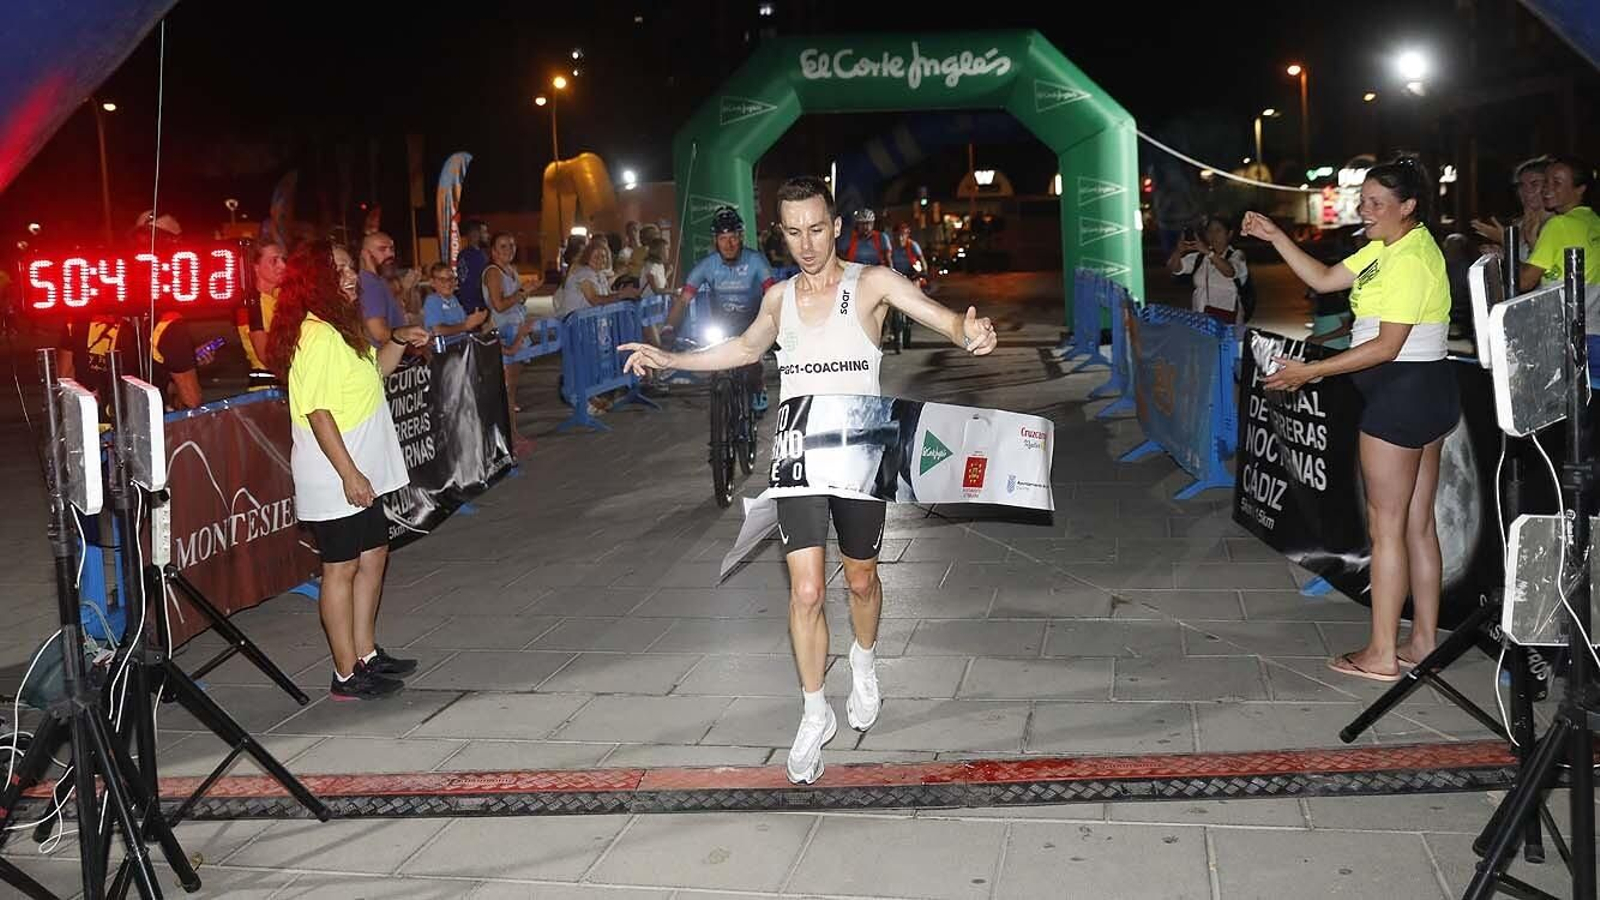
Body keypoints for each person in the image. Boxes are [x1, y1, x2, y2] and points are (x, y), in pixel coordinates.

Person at [619, 175, 998, 784]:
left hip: (862, 451)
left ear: (835, 225)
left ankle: (866, 662)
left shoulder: (870, 282)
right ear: (781, 234)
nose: (807, 243)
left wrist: (968, 331)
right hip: (797, 452)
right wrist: (672, 359)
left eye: (816, 228)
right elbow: (744, 350)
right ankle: (813, 710)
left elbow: (940, 318)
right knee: (806, 591)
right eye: (793, 232)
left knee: (862, 581)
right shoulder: (779, 299)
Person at [1242, 157, 1456, 683]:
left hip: (1401, 397)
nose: (1365, 211)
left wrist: (1309, 372)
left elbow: (1386, 346)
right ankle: (1423, 641)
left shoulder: (1409, 259)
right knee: (1417, 525)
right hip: (1426, 393)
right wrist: (1275, 237)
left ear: (1408, 207)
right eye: (1363, 201)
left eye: (1377, 204)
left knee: (1386, 531)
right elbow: (1324, 277)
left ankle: (1382, 653)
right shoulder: (1389, 247)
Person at [264, 240, 428, 700]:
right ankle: (344, 673)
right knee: (341, 569)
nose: (351, 277)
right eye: (338, 271)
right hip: (337, 473)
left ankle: (367, 653)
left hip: (362, 469)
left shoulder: (342, 327)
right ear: (314, 281)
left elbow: (375, 375)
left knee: (374, 556)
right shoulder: (315, 334)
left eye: (350, 268)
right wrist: (350, 475)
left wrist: (397, 339)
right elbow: (317, 413)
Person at [1517, 156, 1600, 343]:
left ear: (1580, 189)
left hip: (1563, 334)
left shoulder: (1559, 225)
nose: (1547, 189)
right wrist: (1533, 244)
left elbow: (1524, 282)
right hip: (1594, 331)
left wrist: (1505, 255)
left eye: (1557, 183)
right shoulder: (1595, 222)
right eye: (1546, 182)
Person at [483, 232, 540, 456]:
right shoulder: (493, 272)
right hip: (504, 333)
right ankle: (509, 437)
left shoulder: (511, 271)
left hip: (517, 330)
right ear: (494, 251)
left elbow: (517, 301)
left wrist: (524, 293)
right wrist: (523, 292)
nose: (509, 249)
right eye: (503, 246)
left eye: (512, 245)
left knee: (512, 391)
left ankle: (513, 433)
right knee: (506, 391)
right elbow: (498, 305)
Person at [1167, 215, 1249, 324]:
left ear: (1229, 234)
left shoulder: (1237, 255)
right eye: (1209, 231)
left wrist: (1209, 253)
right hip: (1200, 319)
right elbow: (1174, 268)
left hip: (1227, 321)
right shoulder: (1200, 257)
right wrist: (1179, 251)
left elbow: (1230, 272)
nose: (1213, 235)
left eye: (1218, 230)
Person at [1471, 156, 1551, 263]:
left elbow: (1544, 271)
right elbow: (1521, 263)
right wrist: (1501, 254)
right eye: (1521, 185)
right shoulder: (1518, 225)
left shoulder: (1558, 224)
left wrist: (1506, 241)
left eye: (1534, 184)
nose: (1526, 191)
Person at [237, 240, 287, 388]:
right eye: (274, 261)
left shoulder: (280, 297)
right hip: (269, 388)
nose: (283, 266)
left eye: (283, 259)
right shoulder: (252, 304)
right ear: (256, 267)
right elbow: (266, 356)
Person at [358, 232, 407, 347]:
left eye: (391, 249)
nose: (390, 254)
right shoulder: (370, 284)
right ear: (366, 254)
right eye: (382, 249)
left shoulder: (379, 281)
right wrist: (411, 342)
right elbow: (379, 334)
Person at [421, 263, 489, 337]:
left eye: (451, 278)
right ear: (432, 282)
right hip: (447, 346)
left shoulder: (454, 299)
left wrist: (478, 323)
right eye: (442, 279)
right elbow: (437, 330)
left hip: (462, 343)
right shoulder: (432, 300)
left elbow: (464, 324)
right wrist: (466, 326)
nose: (448, 283)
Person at [455, 220, 491, 315]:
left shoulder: (465, 254)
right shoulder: (473, 256)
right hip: (476, 308)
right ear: (475, 234)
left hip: (472, 307)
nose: (488, 235)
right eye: (484, 232)